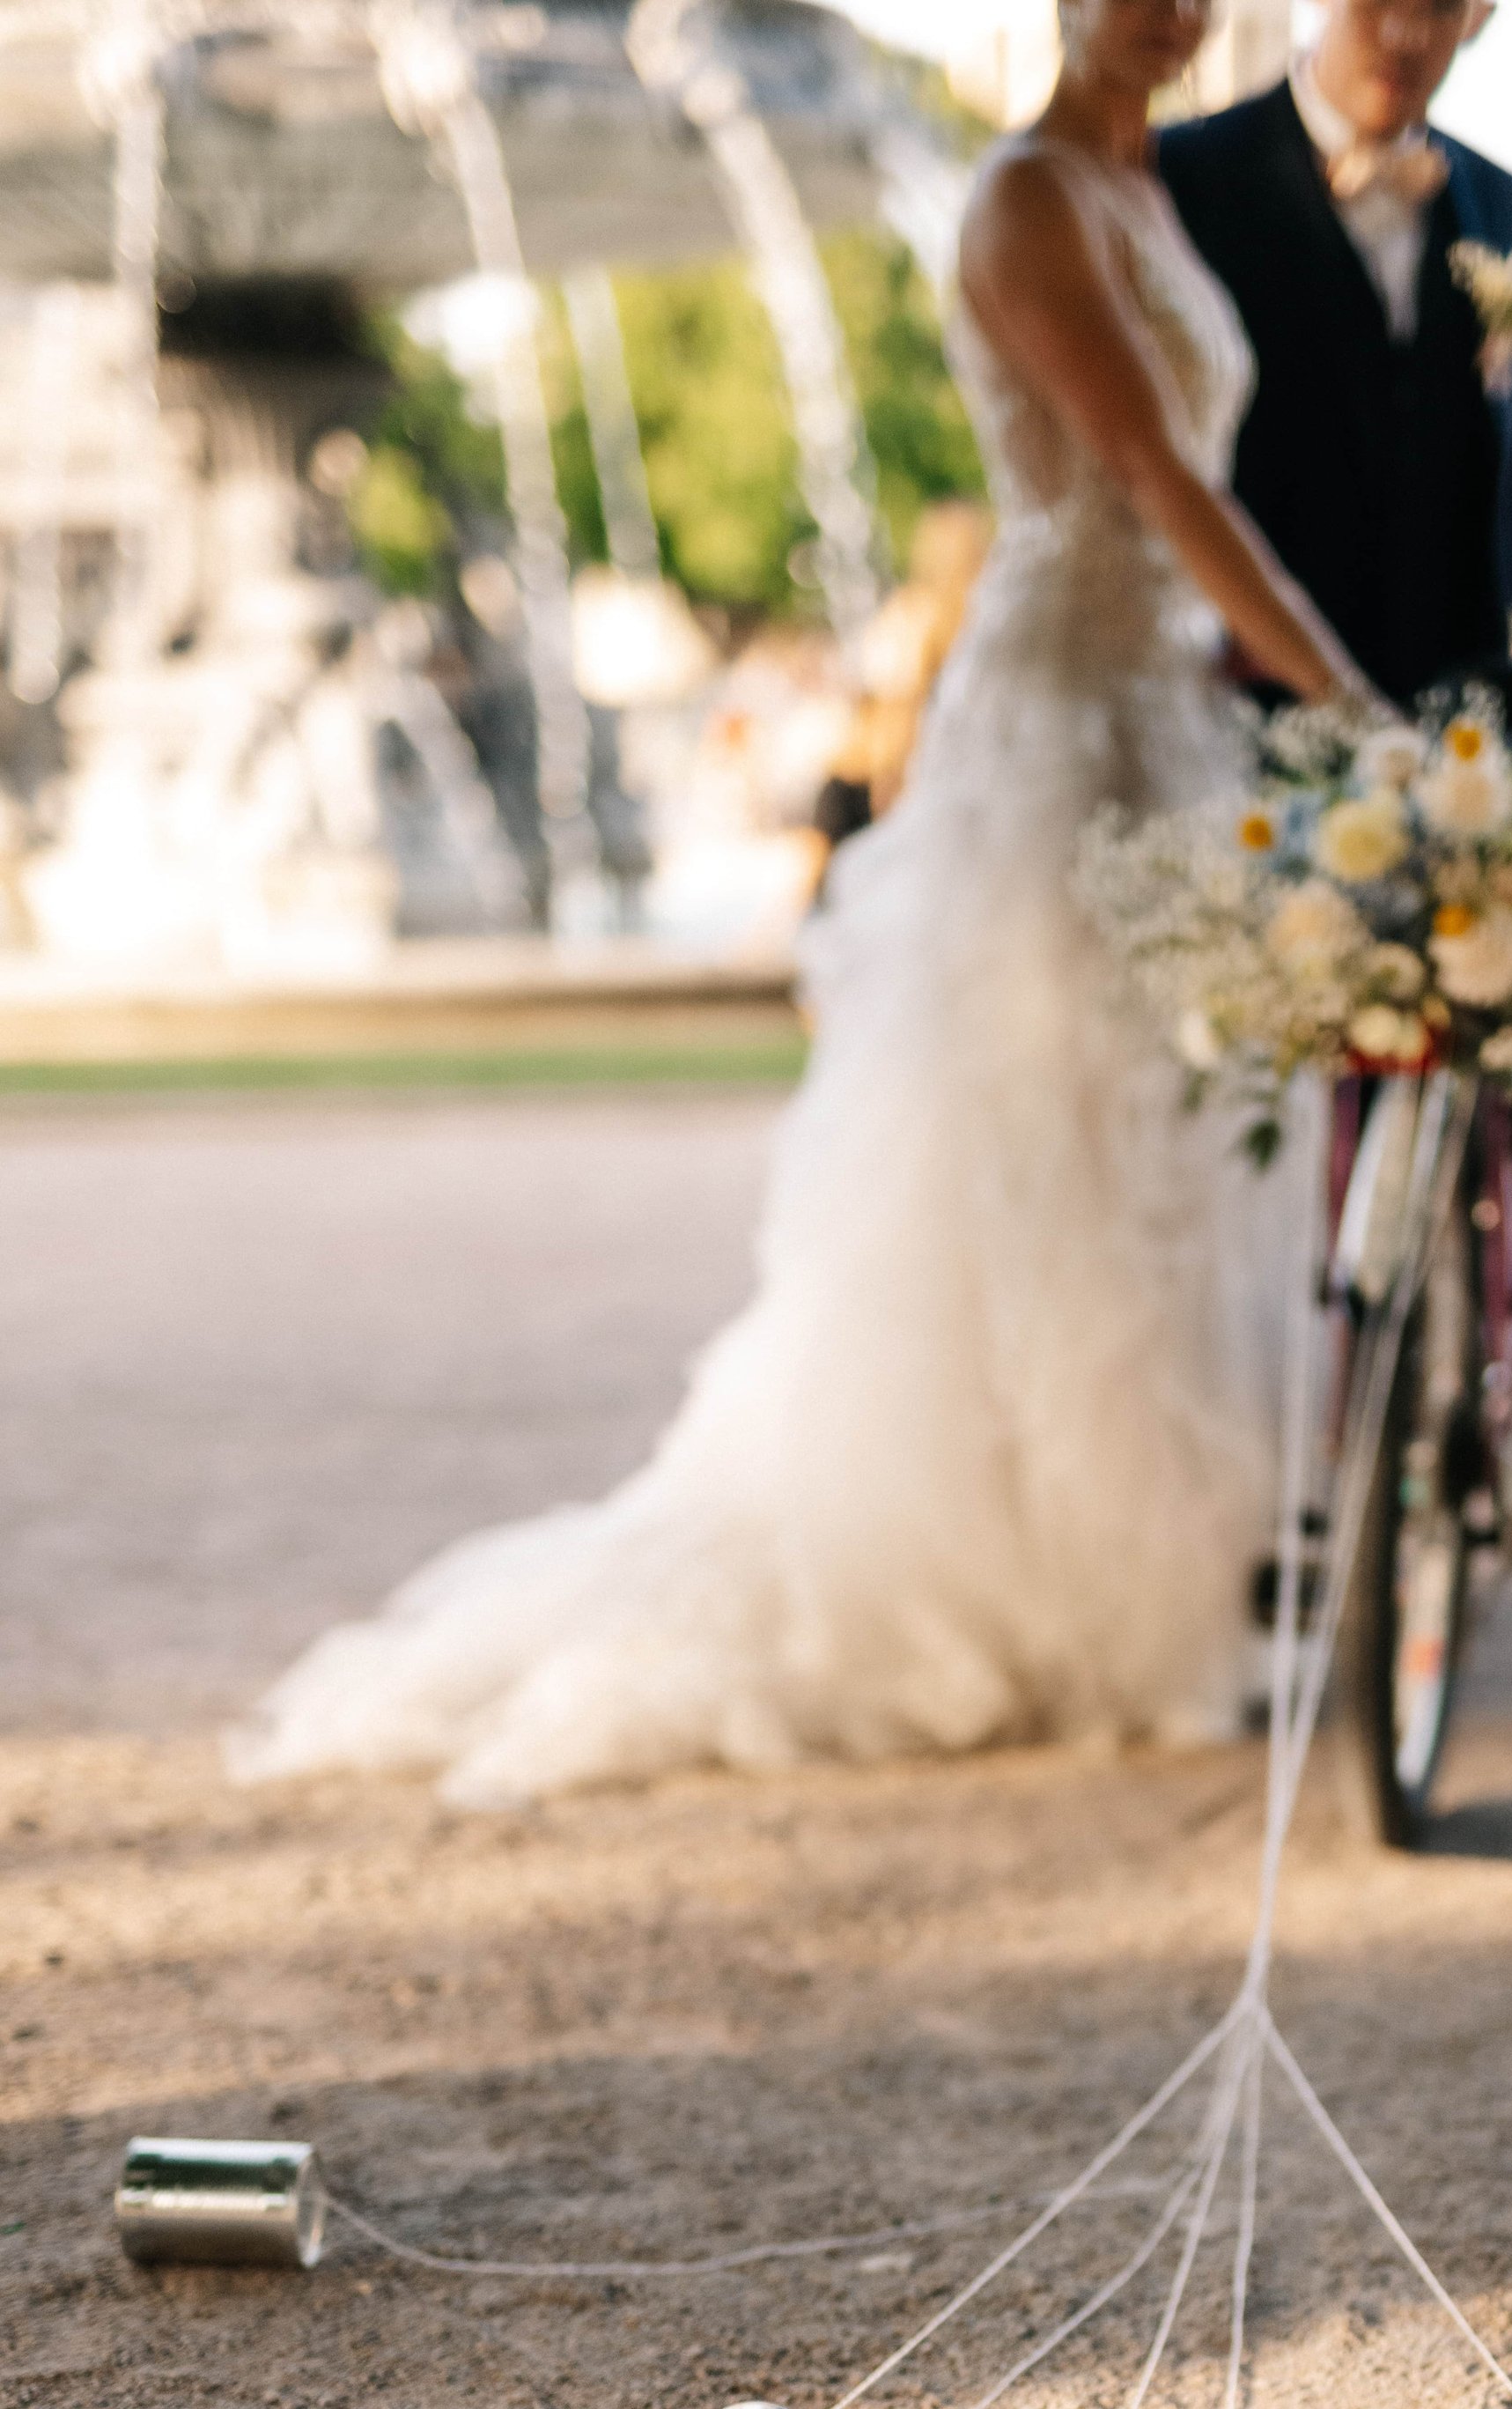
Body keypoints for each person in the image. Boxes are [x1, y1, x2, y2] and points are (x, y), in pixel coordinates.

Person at [231, 0, 1371, 1808]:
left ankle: (1141, 1587)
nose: (1168, 13)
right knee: (1049, 1141)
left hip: (1165, 713)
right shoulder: (1026, 198)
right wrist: (1348, 701)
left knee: (1158, 1146)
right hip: (1062, 720)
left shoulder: (1147, 194)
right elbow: (1149, 474)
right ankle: (1038, 1594)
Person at [1159, 0, 1512, 752]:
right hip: (1245, 717)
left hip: (1464, 732)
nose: (1405, 35)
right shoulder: (1182, 173)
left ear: (1480, 15)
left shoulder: (1502, 201)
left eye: (1440, 7)